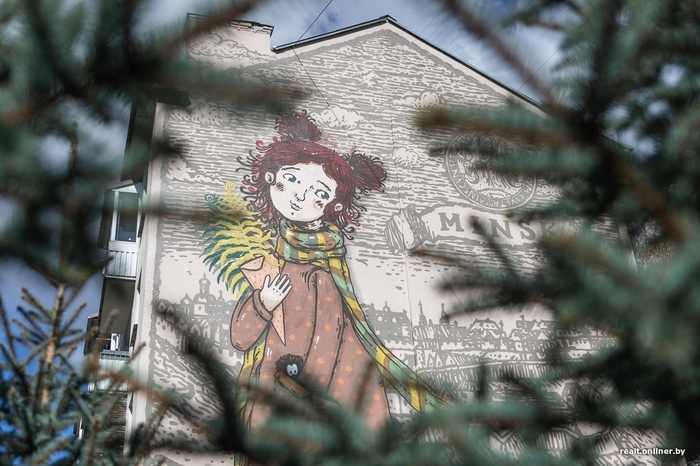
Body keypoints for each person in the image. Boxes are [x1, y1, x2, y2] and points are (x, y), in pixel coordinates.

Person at [230, 111, 445, 433]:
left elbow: (332, 337)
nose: (300, 195)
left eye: (319, 193)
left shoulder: (328, 270)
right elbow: (240, 337)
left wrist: (309, 391)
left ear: (334, 206)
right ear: (271, 177)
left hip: (336, 399)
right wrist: (264, 303)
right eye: (292, 179)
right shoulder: (271, 264)